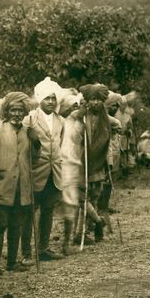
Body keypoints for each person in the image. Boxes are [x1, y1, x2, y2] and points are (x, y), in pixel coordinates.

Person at [0, 92, 35, 275]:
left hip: (22, 188)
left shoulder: (28, 132)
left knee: (16, 225)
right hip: (1, 187)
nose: (17, 114)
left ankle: (11, 263)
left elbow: (35, 158)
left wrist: (37, 142)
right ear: (7, 111)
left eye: (20, 110)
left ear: (25, 112)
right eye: (13, 110)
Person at [60, 84, 115, 250]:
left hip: (98, 164)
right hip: (79, 162)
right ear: (87, 101)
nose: (96, 103)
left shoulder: (106, 118)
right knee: (80, 198)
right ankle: (98, 222)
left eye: (99, 100)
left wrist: (108, 159)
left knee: (94, 196)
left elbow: (115, 128)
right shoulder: (79, 116)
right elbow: (69, 134)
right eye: (93, 99)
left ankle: (81, 233)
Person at [23, 77, 65, 261]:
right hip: (34, 171)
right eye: (47, 98)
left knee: (48, 210)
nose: (50, 102)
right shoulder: (30, 118)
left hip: (53, 172)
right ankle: (25, 251)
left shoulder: (61, 120)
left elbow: (61, 144)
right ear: (40, 99)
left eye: (53, 98)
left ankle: (43, 248)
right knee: (29, 212)